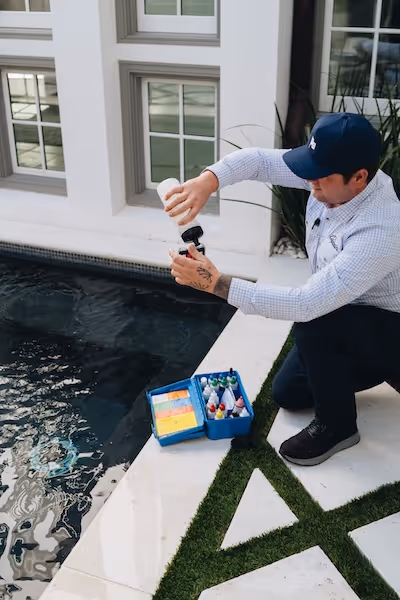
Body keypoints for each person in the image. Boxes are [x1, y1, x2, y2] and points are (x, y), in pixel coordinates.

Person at [167, 112, 400, 467]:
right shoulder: (327, 173)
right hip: (353, 316)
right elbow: (258, 162)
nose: (310, 183)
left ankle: (338, 427)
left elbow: (307, 304)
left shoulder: (381, 230)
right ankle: (372, 365)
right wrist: (207, 181)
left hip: (390, 325)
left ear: (359, 178)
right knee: (289, 393)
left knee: (315, 322)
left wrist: (217, 284)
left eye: (320, 180)